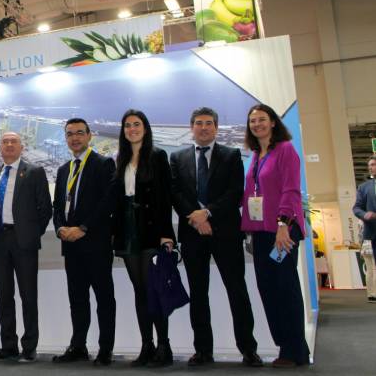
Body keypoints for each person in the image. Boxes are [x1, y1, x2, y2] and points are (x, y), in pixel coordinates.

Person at [170, 107, 262, 367]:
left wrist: (207, 213)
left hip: (226, 233)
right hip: (192, 235)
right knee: (198, 294)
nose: (204, 128)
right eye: (199, 123)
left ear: (216, 128)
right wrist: (196, 218)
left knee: (237, 291)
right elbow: (175, 192)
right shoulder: (177, 157)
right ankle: (203, 350)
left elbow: (235, 193)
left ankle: (248, 349)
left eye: (209, 123)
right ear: (192, 127)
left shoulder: (231, 155)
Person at [241, 103, 310, 368]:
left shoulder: (285, 150)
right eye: (252, 121)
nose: (256, 124)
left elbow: (291, 190)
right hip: (260, 234)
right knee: (268, 290)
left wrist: (283, 224)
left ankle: (295, 351)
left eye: (261, 119)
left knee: (286, 289)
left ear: (272, 122)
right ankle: (287, 347)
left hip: (282, 231)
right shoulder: (257, 154)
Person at [111, 110, 176, 367]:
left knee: (154, 290)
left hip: (150, 230)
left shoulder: (158, 156)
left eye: (136, 125)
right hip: (127, 231)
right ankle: (146, 345)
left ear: (145, 129)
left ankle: (164, 346)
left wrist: (166, 235)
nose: (132, 129)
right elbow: (117, 197)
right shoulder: (121, 158)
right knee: (140, 291)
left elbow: (164, 197)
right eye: (127, 125)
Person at [51, 118, 117, 366]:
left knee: (104, 298)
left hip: (96, 243)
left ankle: (105, 350)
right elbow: (57, 206)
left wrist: (83, 228)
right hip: (71, 245)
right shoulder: (63, 170)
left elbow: (107, 203)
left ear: (90, 136)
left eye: (80, 133)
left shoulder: (103, 164)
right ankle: (78, 346)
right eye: (70, 134)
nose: (75, 138)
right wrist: (59, 229)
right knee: (77, 299)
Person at [0, 132, 52, 363]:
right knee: (4, 297)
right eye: (5, 142)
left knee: (28, 296)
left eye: (14, 142)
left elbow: (45, 209)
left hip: (24, 243)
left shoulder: (34, 172)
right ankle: (8, 346)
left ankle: (30, 347)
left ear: (21, 147)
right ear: (0, 147)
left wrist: (32, 234)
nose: (9, 145)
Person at [353, 155, 376, 303]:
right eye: (370, 165)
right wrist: (364, 214)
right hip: (374, 233)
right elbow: (356, 208)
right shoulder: (364, 187)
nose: (370, 167)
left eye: (373, 164)